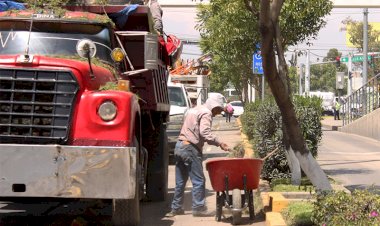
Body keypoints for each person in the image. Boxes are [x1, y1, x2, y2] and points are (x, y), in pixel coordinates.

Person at [167, 95, 231, 217]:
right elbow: (205, 132)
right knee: (199, 180)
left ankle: (176, 208)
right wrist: (219, 143)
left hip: (179, 146)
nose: (218, 113)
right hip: (190, 148)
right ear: (214, 106)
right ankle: (199, 208)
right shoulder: (206, 113)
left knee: (180, 182)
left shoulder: (194, 109)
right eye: (218, 110)